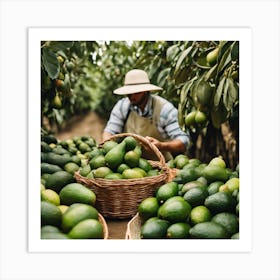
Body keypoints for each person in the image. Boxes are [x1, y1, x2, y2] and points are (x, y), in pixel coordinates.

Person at [102, 69, 190, 160]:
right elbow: (110, 131)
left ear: (146, 91)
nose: (131, 97)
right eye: (128, 93)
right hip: (131, 166)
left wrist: (161, 146)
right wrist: (107, 146)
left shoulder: (164, 109)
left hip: (162, 166)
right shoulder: (122, 106)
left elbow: (183, 141)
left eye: (136, 93)